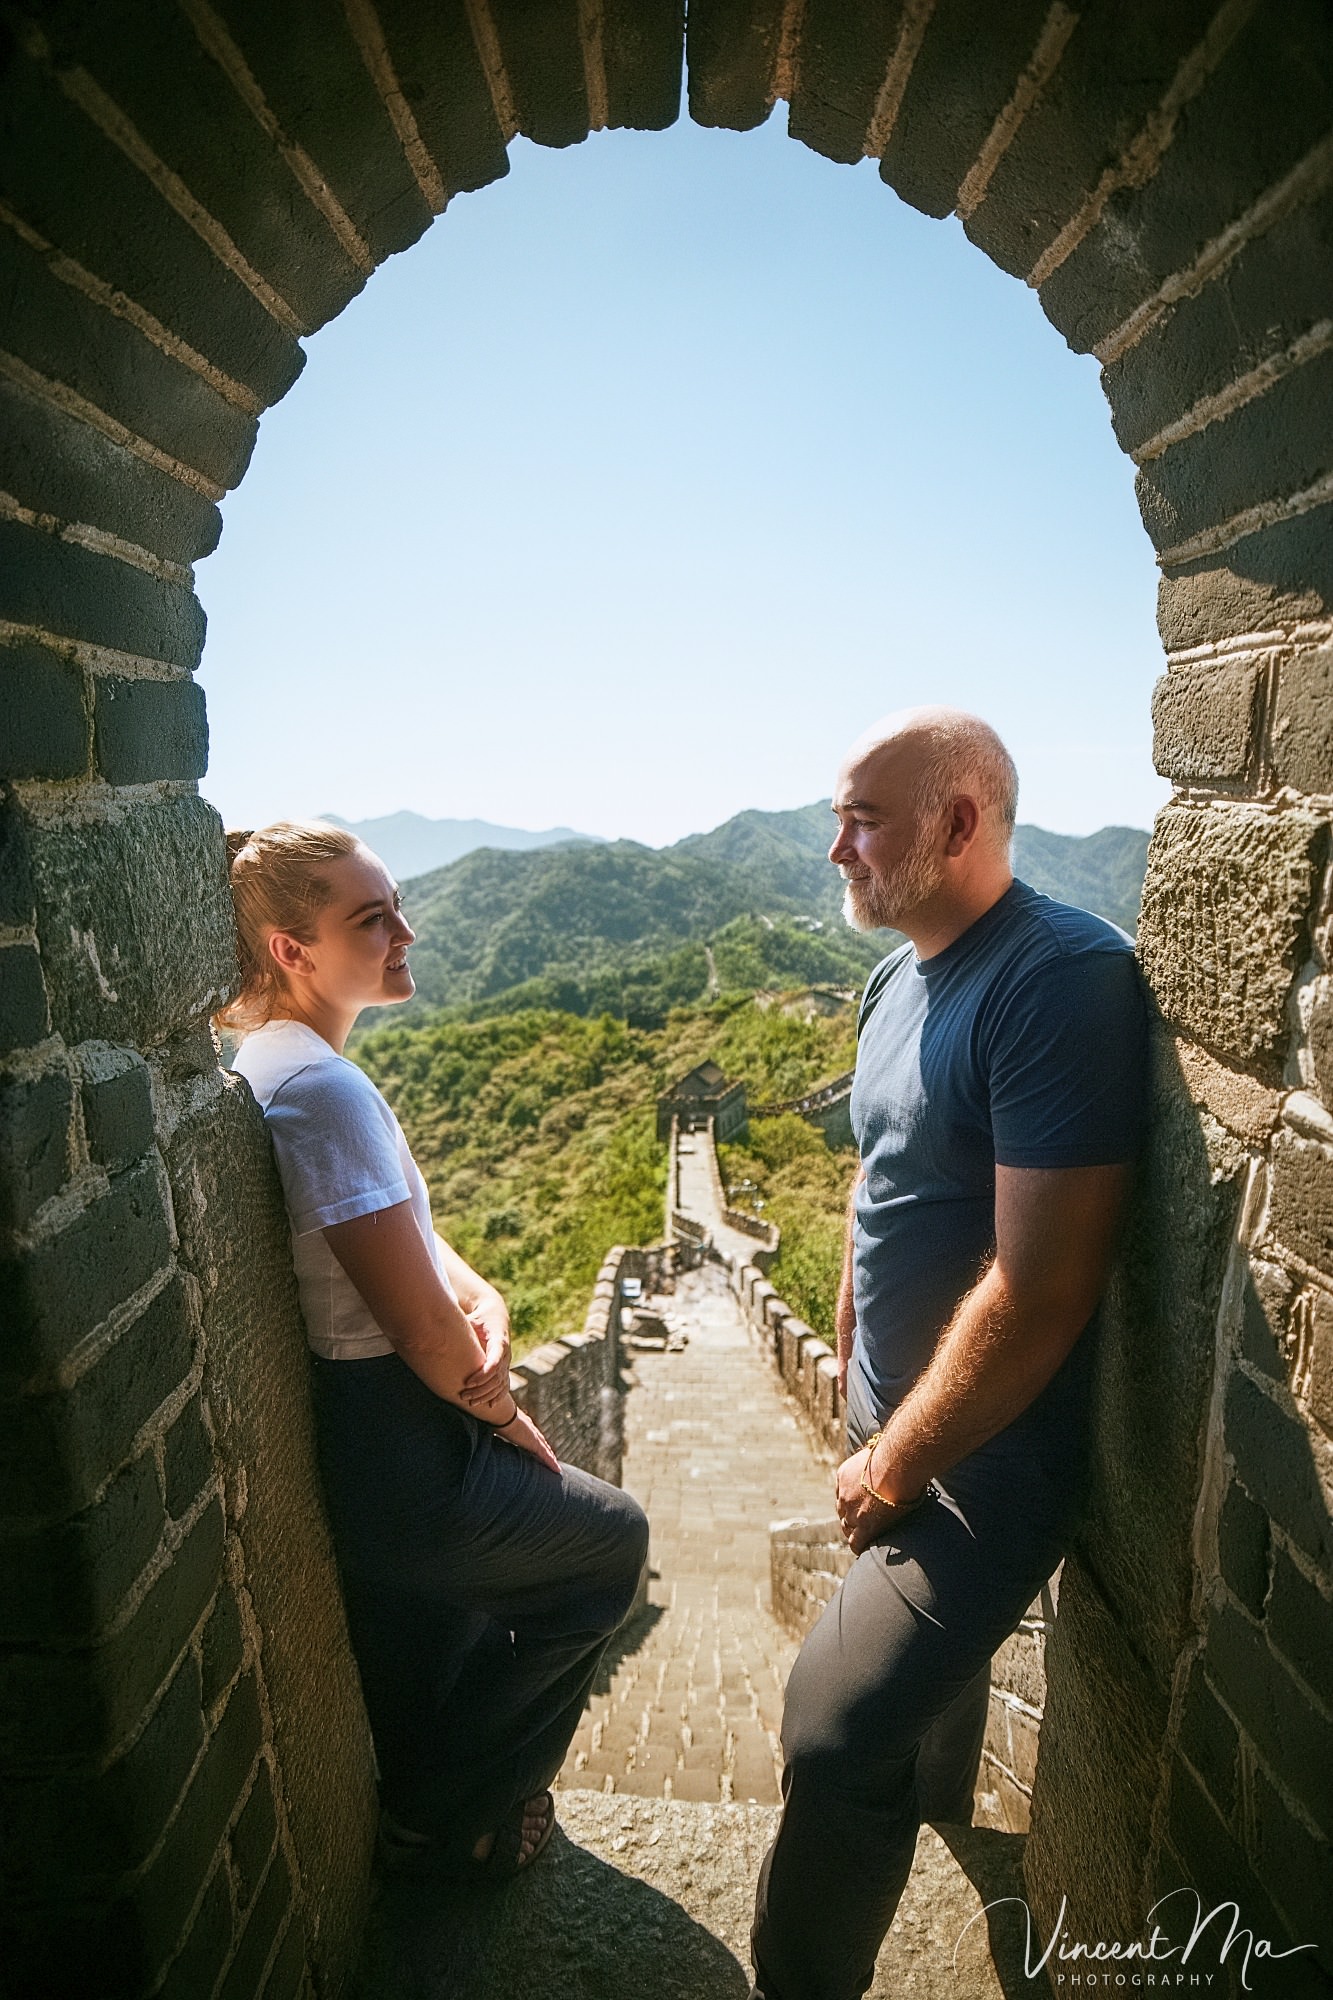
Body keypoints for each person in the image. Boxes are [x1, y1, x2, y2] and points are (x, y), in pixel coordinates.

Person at [749, 709, 1149, 1999]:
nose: (834, 849)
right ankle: (919, 1857)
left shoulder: (1056, 979)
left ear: (959, 822)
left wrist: (892, 1460)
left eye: (861, 818)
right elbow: (889, 1180)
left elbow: (1040, 1291)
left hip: (985, 1455)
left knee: (830, 1725)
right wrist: (858, 1378)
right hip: (895, 1420)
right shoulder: (897, 974)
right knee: (918, 1722)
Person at [217, 820, 649, 1880]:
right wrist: (509, 1418)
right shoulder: (323, 1089)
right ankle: (451, 1809)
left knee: (428, 1645)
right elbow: (413, 1328)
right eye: (372, 918)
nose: (406, 930)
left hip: (375, 1433)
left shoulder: (284, 1063)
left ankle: (459, 1815)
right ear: (291, 950)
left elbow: (387, 1226)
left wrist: (478, 1286)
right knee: (608, 1549)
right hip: (404, 1440)